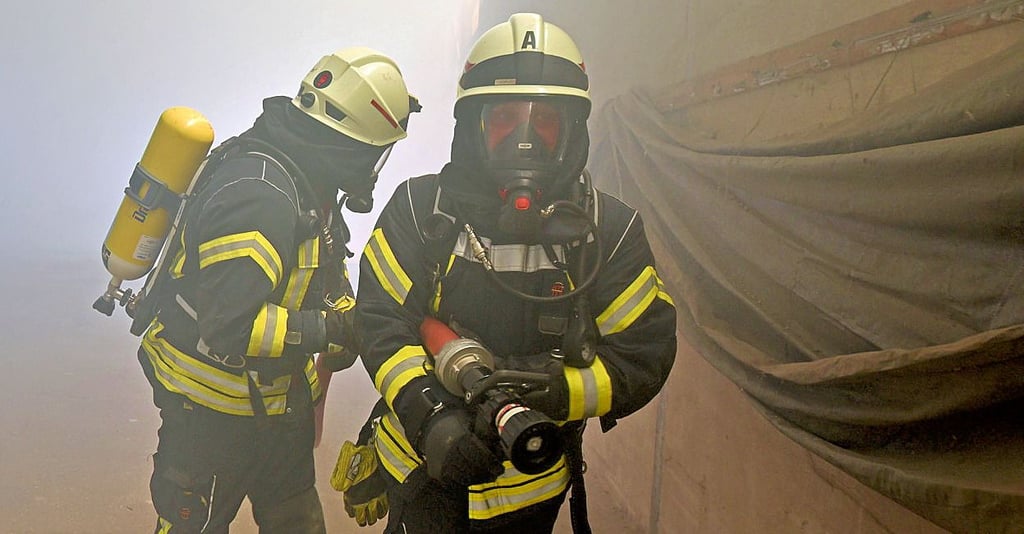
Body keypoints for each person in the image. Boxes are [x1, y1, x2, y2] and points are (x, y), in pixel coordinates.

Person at [352, 13, 677, 533]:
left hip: (534, 487)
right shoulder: (419, 211)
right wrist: (430, 414)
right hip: (421, 477)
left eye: (544, 120)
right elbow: (379, 319)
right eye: (504, 118)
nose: (523, 139)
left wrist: (552, 394)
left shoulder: (608, 232)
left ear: (570, 130)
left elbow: (645, 353)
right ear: (473, 127)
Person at [135, 47, 417, 533]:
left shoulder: (307, 182)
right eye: (375, 151)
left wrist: (345, 324)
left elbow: (317, 277)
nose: (375, 166)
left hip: (275, 412)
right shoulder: (260, 195)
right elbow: (229, 325)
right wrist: (330, 328)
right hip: (209, 416)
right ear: (349, 145)